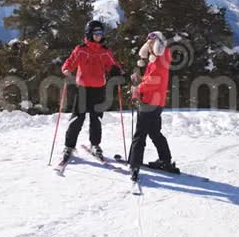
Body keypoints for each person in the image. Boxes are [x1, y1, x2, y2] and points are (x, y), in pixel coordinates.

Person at [59, 20, 123, 164]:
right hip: (83, 89)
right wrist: (66, 69)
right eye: (96, 33)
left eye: (101, 33)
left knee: (96, 119)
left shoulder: (105, 51)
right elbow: (70, 62)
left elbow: (113, 64)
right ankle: (69, 146)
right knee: (77, 119)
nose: (99, 36)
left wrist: (116, 71)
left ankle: (95, 145)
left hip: (99, 89)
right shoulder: (81, 49)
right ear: (89, 33)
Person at [128, 31, 177, 182]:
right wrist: (140, 79)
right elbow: (153, 80)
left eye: (151, 44)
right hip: (157, 102)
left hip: (149, 102)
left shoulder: (158, 60)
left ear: (157, 45)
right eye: (148, 43)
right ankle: (165, 160)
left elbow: (153, 81)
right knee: (155, 132)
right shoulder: (160, 59)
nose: (149, 46)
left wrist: (137, 88)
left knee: (140, 134)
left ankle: (134, 164)